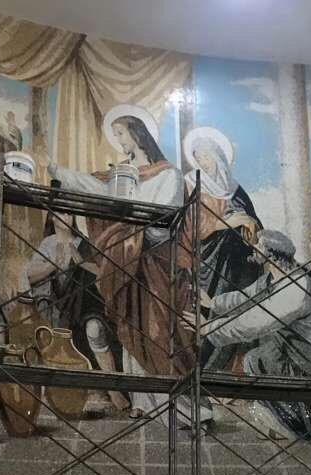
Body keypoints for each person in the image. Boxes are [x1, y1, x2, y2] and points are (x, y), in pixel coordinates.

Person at [47, 104, 193, 418]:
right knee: (129, 324)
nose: (119, 140)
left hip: (154, 261)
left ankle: (177, 408)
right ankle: (142, 401)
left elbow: (166, 218)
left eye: (121, 133)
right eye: (115, 135)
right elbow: (95, 188)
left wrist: (134, 227)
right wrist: (55, 170)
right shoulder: (119, 175)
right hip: (127, 260)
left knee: (157, 330)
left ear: (138, 135)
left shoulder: (168, 174)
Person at [201, 228, 311, 445]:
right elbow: (247, 296)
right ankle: (283, 424)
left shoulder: (296, 288)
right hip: (298, 351)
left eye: (260, 246)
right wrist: (214, 303)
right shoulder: (273, 278)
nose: (254, 248)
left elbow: (255, 322)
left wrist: (209, 328)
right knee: (255, 360)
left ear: (272, 254)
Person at [22, 214, 129, 415]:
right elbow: (30, 275)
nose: (66, 217)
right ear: (52, 218)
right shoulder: (48, 243)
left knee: (95, 330)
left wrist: (82, 263)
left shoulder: (84, 243)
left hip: (88, 303)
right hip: (60, 306)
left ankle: (114, 391)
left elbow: (104, 272)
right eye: (61, 213)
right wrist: (52, 265)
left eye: (69, 213)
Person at [184, 126, 263, 375]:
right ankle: (207, 369)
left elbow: (253, 222)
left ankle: (237, 368)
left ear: (218, 156)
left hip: (239, 262)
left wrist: (250, 225)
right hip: (208, 260)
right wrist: (229, 222)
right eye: (198, 158)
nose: (202, 162)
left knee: (242, 307)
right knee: (209, 309)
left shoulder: (235, 188)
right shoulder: (191, 184)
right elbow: (191, 225)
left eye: (206, 156)